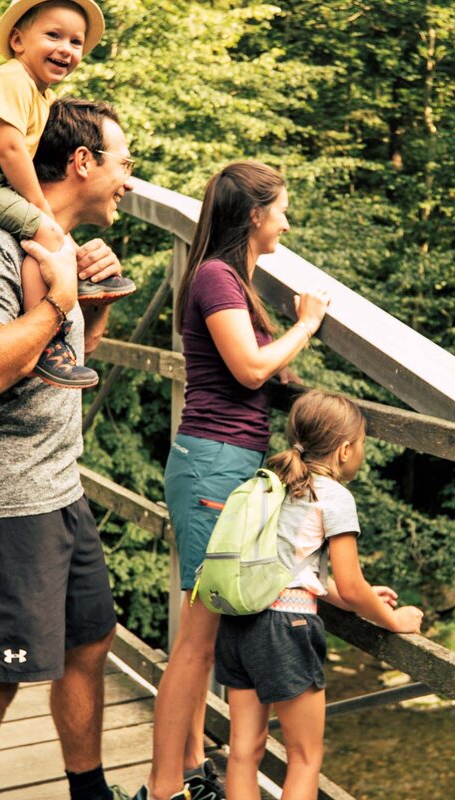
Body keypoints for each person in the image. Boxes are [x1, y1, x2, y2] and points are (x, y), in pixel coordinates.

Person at [0, 97, 138, 800]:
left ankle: (91, 794)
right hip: (1, 500)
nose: (128, 182)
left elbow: (58, 366)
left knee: (89, 646)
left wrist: (92, 305)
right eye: (123, 164)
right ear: (82, 162)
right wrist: (59, 300)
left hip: (57, 489)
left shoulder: (53, 249)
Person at [139, 161, 332, 800]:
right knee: (197, 639)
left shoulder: (232, 278)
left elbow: (253, 379)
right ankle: (165, 788)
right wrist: (306, 324)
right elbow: (248, 369)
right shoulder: (218, 277)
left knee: (207, 630)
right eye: (281, 208)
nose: (286, 220)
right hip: (212, 464)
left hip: (227, 460)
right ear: (254, 215)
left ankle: (189, 771)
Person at [216, 391, 424, 800]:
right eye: (362, 444)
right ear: (345, 449)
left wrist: (358, 597)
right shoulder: (334, 496)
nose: (362, 453)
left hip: (238, 623)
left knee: (243, 751)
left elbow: (289, 568)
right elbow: (350, 583)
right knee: (305, 758)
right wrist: (395, 620)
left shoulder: (272, 481)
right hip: (284, 632)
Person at [0, 0, 134, 390]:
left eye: (76, 41)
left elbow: (84, 347)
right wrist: (41, 210)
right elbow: (11, 151)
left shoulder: (41, 97)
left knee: (53, 236)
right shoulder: (12, 79)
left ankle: (70, 293)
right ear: (17, 40)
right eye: (53, 35)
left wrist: (91, 299)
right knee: (45, 231)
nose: (66, 48)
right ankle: (50, 341)